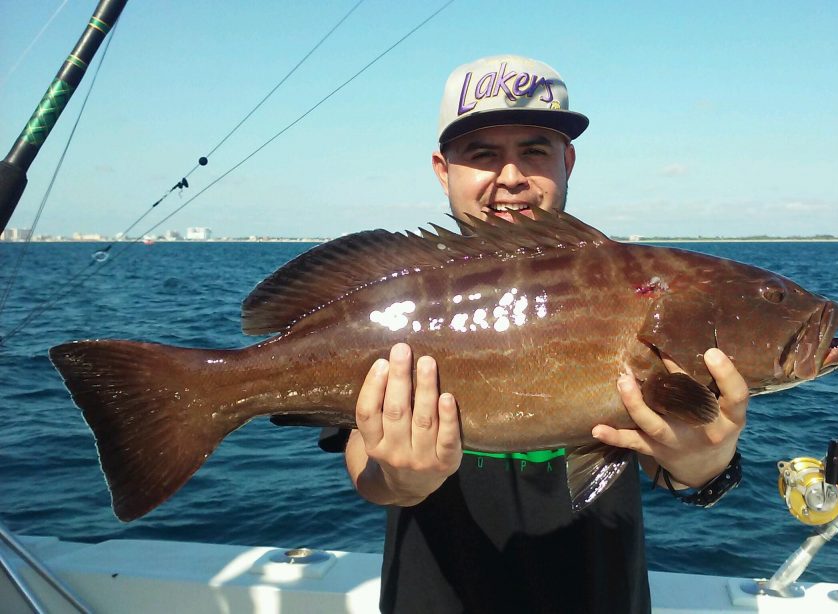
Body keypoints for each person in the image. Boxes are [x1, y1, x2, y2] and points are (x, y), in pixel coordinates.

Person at [319, 55, 749, 614]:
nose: (512, 175)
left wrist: (707, 468)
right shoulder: (389, 296)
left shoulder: (640, 291)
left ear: (567, 161)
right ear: (442, 169)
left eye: (535, 151)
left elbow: (669, 459)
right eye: (482, 154)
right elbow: (363, 458)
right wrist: (398, 482)